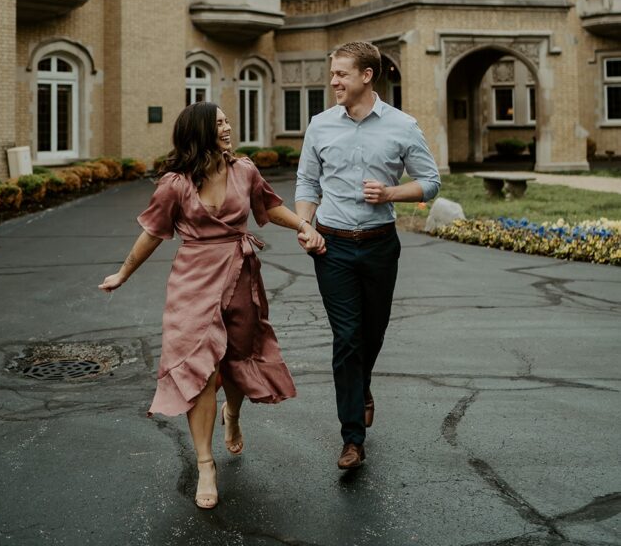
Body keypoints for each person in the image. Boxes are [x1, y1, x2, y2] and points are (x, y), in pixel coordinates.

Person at [99, 102, 325, 509]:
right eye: (219, 122)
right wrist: (123, 273)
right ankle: (206, 464)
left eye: (226, 121)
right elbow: (152, 233)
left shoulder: (245, 170)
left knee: (237, 361)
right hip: (193, 281)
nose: (227, 127)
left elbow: (270, 208)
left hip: (240, 274)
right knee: (199, 369)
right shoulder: (175, 184)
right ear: (200, 132)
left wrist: (304, 225)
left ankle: (233, 416)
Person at [294, 41, 440, 470]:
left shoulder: (402, 126)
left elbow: (430, 182)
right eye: (333, 72)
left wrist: (392, 192)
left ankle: (363, 384)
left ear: (366, 75)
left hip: (379, 244)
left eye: (341, 73)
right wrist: (306, 226)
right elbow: (306, 183)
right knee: (347, 339)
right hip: (331, 245)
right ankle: (352, 438)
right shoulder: (320, 125)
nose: (334, 81)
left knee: (372, 333)